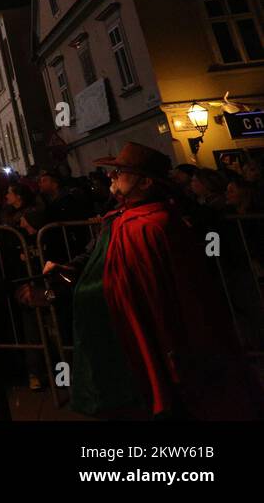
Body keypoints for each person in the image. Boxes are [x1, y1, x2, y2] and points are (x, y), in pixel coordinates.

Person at [52, 142, 263, 420]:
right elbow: (98, 255)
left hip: (166, 334)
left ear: (146, 182)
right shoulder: (119, 217)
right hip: (127, 328)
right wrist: (70, 268)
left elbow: (180, 293)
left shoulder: (157, 224)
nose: (112, 177)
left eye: (121, 172)